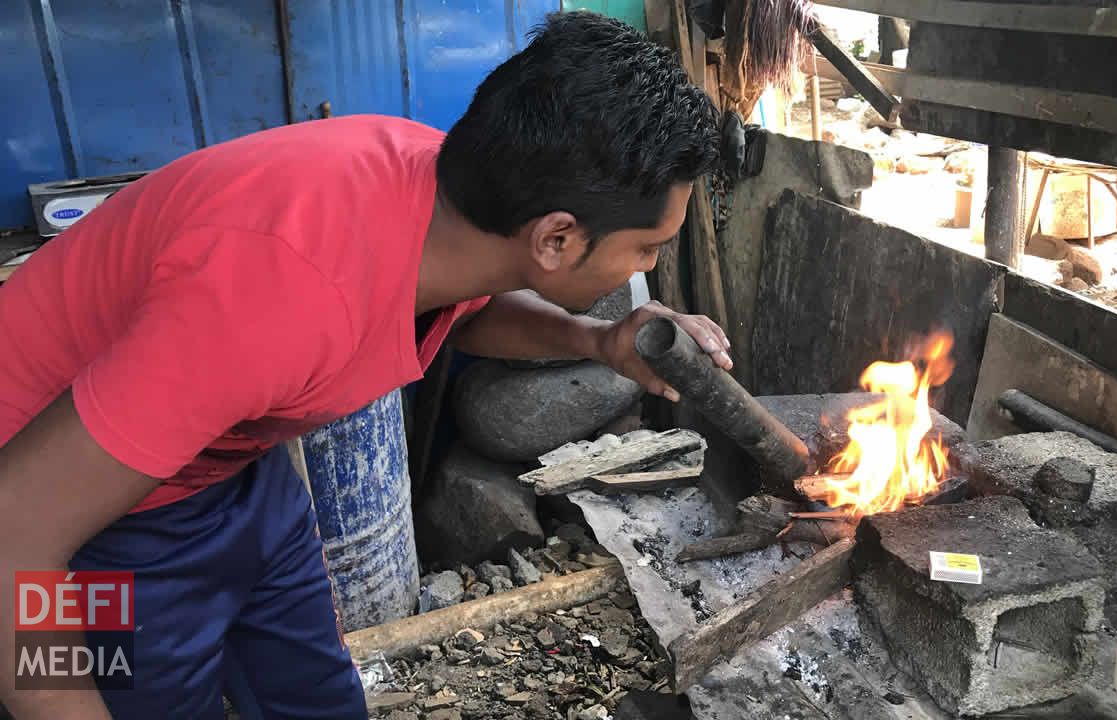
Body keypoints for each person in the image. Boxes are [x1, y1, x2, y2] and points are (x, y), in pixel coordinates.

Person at [0, 12, 728, 719]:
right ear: (557, 239)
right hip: (78, 504)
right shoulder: (274, 298)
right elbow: (15, 533)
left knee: (315, 693)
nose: (651, 265)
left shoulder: (435, 193)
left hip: (226, 465)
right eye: (647, 246)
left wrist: (600, 343)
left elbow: (463, 310)